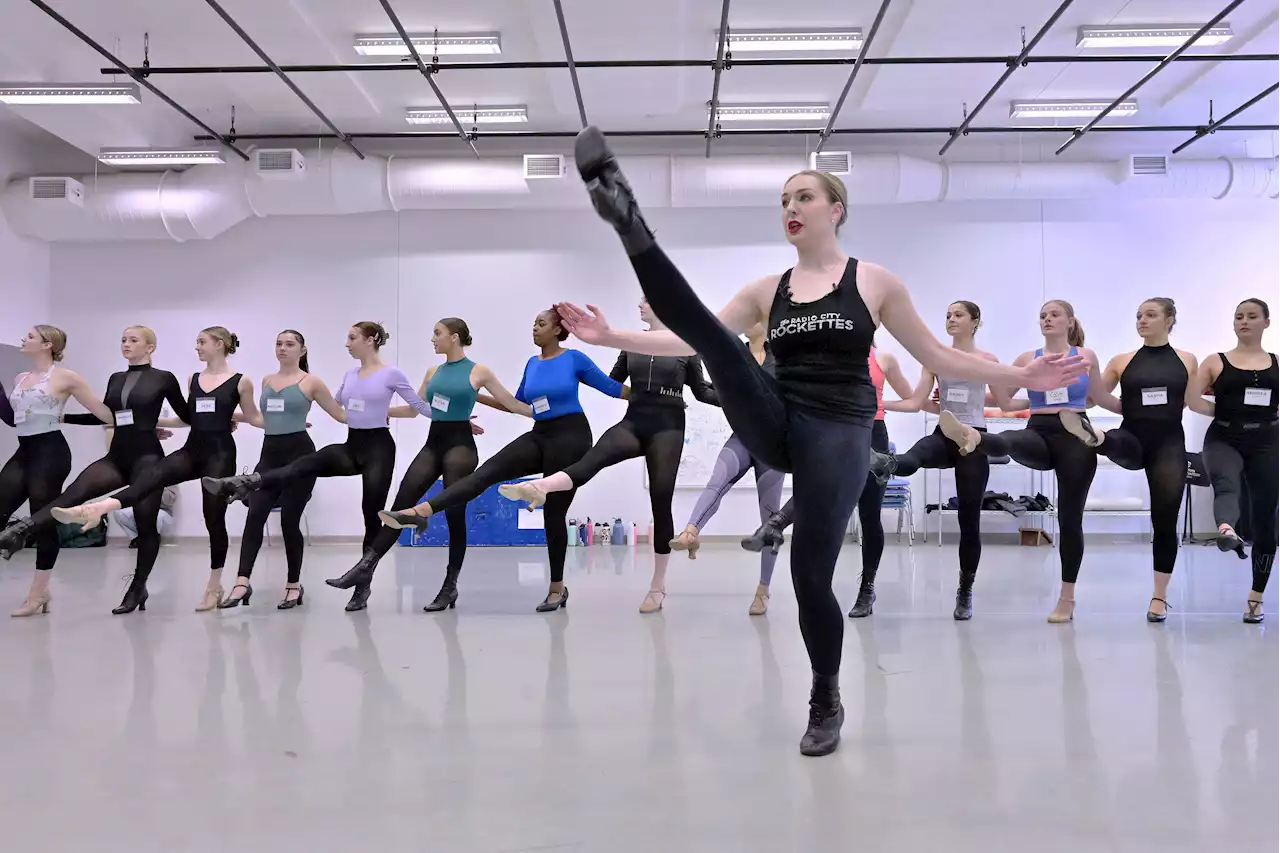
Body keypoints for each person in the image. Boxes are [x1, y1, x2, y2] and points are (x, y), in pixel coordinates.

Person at [554, 126, 1086, 757]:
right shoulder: (765, 290)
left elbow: (939, 354)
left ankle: (825, 694)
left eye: (803, 197)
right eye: (784, 200)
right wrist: (611, 336)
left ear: (835, 210)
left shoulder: (874, 282)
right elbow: (690, 338)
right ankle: (627, 221)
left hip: (839, 431)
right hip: (778, 415)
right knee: (722, 343)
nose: (791, 209)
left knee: (810, 575)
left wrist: (1020, 376)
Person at [376, 307, 627, 613]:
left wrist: (653, 398)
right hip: (540, 434)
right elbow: (517, 404)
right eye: (533, 322)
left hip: (571, 436)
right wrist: (471, 394)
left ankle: (557, 588)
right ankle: (420, 511)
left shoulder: (574, 359)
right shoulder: (532, 363)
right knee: (484, 474)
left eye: (541, 323)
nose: (534, 327)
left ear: (559, 330)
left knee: (553, 514)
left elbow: (612, 388)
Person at [899, 300, 1119, 625]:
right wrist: (981, 397)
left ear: (1071, 321)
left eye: (1054, 315)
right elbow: (1007, 401)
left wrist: (1146, 410)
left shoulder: (1085, 358)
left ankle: (1066, 598)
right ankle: (974, 438)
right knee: (1012, 439)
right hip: (1039, 429)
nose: (1047, 319)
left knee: (1070, 520)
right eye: (1042, 315)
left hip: (1075, 435)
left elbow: (1100, 398)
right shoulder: (1027, 360)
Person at [201, 321, 445, 612]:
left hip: (379, 448)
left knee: (370, 514)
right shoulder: (350, 374)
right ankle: (246, 482)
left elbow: (416, 407)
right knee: (307, 463)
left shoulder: (391, 374)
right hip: (351, 445)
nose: (347, 342)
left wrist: (453, 418)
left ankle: (361, 586)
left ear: (370, 340)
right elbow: (339, 405)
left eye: (352, 337)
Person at [499, 297, 716, 614]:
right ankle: (540, 487)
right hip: (633, 422)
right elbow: (612, 383)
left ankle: (658, 587)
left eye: (646, 302)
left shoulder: (685, 346)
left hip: (668, 428)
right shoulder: (631, 344)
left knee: (660, 497)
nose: (640, 306)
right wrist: (566, 380)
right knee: (591, 459)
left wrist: (737, 397)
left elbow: (702, 391)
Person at [327, 318, 529, 613]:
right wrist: (372, 411)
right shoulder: (432, 372)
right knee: (400, 507)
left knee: (454, 516)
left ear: (455, 338)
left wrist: (541, 414)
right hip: (432, 445)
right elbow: (412, 410)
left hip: (460, 448)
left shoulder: (479, 371)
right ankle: (366, 566)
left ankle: (450, 585)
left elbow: (512, 404)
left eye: (437, 334)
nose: (432, 339)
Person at [52, 326, 260, 612]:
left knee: (213, 519)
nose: (197, 347)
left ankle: (214, 585)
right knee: (151, 477)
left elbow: (252, 416)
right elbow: (191, 417)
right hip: (192, 450)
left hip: (220, 455)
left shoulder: (241, 381)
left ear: (220, 345)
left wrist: (282, 424)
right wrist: (154, 425)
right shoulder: (194, 378)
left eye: (201, 342)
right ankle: (98, 508)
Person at [0, 325, 192, 614]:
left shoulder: (163, 379)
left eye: (133, 340)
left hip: (147, 458)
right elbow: (109, 417)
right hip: (116, 457)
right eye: (123, 339)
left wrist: (160, 425)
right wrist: (64, 416)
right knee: (70, 497)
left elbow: (188, 416)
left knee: (145, 522)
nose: (126, 344)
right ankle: (21, 531)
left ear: (150, 348)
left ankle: (137, 588)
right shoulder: (116, 378)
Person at [1057, 298, 1211, 622]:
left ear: (1169, 320)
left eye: (1150, 315)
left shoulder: (1187, 360)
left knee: (1165, 522)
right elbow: (1095, 397)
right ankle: (1096, 437)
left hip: (1168, 444)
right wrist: (1054, 394)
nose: (1142, 320)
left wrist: (1234, 411)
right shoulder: (1121, 361)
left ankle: (1159, 597)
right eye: (1139, 316)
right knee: (1113, 439)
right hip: (1131, 437)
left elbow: (1191, 401)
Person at [845, 302, 998, 619]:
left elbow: (1002, 400)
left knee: (969, 520)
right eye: (947, 315)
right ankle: (884, 461)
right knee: (913, 457)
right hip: (945, 434)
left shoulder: (988, 361)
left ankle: (965, 591)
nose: (951, 319)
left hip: (974, 439)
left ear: (975, 322)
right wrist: (874, 401)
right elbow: (916, 402)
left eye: (958, 315)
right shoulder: (935, 359)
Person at [741, 343, 914, 617]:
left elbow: (913, 402)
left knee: (870, 516)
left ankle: (867, 588)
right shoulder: (832, 353)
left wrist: (882, 403)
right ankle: (778, 526)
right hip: (841, 430)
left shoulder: (884, 358)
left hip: (874, 432)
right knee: (819, 486)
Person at [226, 329, 346, 610]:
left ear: (302, 350)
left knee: (289, 522)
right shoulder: (267, 380)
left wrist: (380, 414)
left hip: (300, 458)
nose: (282, 348)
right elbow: (261, 418)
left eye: (289, 344)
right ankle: (242, 582)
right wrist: (232, 417)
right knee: (254, 515)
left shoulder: (311, 382)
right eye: (279, 343)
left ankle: (293, 585)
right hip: (268, 457)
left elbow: (340, 414)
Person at [671, 322, 785, 615]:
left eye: (755, 317)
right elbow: (710, 393)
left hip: (774, 445)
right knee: (716, 480)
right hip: (743, 438)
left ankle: (763, 589)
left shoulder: (783, 355)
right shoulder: (735, 355)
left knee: (770, 517)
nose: (748, 323)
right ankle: (690, 532)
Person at [0, 325, 115, 616]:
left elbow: (104, 413)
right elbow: (14, 420)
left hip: (51, 453)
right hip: (23, 452)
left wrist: (143, 425)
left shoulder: (66, 377)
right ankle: (41, 591)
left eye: (29, 337)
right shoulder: (20, 378)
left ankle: (38, 593)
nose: (23, 339)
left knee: (43, 520)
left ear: (47, 344)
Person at [1190, 299, 1277, 622]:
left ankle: (1256, 597)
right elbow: (1192, 399)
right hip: (1224, 437)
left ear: (1266, 322)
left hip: (1267, 441)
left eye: (1252, 316)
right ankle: (1226, 529)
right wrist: (1224, 411)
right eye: (1238, 317)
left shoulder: (1278, 362)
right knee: (1226, 485)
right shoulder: (1216, 361)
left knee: (1266, 517)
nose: (1244, 321)